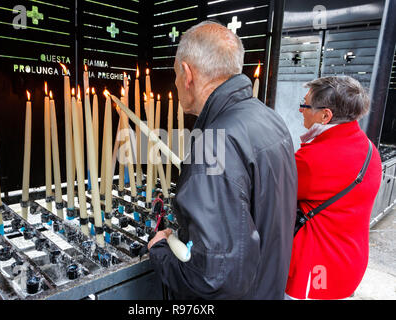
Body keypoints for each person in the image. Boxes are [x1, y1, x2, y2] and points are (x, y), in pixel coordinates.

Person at [147, 21, 298, 299]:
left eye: (176, 75)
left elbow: (211, 279)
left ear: (186, 73)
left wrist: (160, 251)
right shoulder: (269, 119)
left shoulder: (215, 144)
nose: (177, 83)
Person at [285, 76, 382, 300]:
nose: (301, 109)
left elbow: (271, 195)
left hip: (316, 271)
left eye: (305, 103)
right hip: (351, 264)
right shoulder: (369, 150)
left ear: (325, 115)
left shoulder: (312, 160)